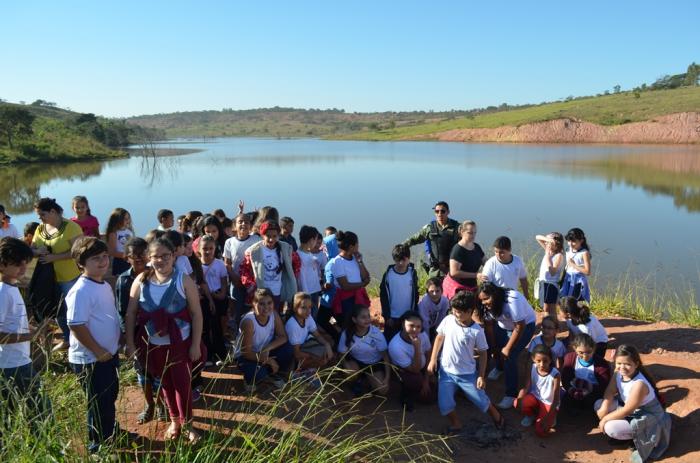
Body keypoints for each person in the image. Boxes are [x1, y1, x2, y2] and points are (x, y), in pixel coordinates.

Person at [125, 237, 204, 443]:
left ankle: (188, 425)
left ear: (173, 255)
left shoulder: (183, 280)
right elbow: (131, 314)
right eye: (155, 256)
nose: (160, 260)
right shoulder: (141, 280)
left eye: (165, 256)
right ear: (148, 258)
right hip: (153, 346)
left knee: (183, 385)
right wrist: (131, 344)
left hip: (180, 344)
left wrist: (195, 344)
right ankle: (174, 421)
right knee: (166, 385)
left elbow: (196, 314)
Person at [65, 237, 121, 453]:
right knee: (98, 403)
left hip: (108, 354)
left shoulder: (104, 284)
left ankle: (109, 431)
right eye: (95, 258)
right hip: (91, 359)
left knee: (110, 396)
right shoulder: (81, 290)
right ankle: (98, 446)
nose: (103, 261)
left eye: (105, 256)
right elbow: (76, 325)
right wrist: (97, 351)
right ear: (81, 264)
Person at [427, 291, 504, 434]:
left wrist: (481, 375)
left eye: (459, 312)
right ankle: (456, 424)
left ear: (470, 311)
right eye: (454, 311)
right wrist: (433, 359)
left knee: (480, 400)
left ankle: (497, 416)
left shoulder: (476, 331)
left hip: (467, 375)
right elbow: (439, 338)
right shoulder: (448, 320)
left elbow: (483, 353)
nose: (455, 314)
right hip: (446, 372)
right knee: (445, 404)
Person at [114, 237, 167, 424]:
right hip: (137, 333)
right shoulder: (123, 280)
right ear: (126, 258)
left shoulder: (159, 275)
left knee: (160, 371)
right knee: (142, 373)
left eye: (142, 257)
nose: (139, 262)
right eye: (134, 259)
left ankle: (161, 404)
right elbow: (122, 312)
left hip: (158, 332)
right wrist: (128, 340)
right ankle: (149, 405)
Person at [595, 345, 671, 463]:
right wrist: (604, 408)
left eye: (627, 364)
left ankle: (633, 438)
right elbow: (610, 390)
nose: (622, 367)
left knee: (610, 427)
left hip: (648, 416)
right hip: (634, 411)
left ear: (636, 364)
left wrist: (604, 419)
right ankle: (629, 435)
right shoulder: (618, 373)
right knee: (599, 404)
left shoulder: (639, 384)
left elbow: (627, 410)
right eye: (619, 363)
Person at [0, 237, 49, 416]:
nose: (23, 267)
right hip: (11, 364)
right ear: (3, 264)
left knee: (16, 413)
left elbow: (10, 322)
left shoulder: (12, 287)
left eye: (25, 262)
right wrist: (30, 337)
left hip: (19, 360)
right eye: (17, 263)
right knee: (41, 412)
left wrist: (29, 328)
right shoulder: (2, 292)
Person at [31, 197, 84, 350]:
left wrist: (55, 257)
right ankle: (67, 339)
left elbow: (78, 251)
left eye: (42, 214)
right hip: (47, 279)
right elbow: (32, 249)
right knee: (58, 310)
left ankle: (79, 341)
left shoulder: (71, 227)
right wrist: (37, 251)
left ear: (53, 211)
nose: (40, 218)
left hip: (68, 278)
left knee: (73, 309)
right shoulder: (40, 228)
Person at [478, 282, 537, 409]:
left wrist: (508, 348)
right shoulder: (484, 305)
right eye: (482, 300)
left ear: (495, 295)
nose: (484, 302)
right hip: (503, 325)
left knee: (510, 355)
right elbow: (489, 324)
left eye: (487, 298)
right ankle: (500, 367)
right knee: (499, 348)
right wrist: (494, 346)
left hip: (525, 326)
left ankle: (511, 394)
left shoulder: (512, 300)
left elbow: (520, 326)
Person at [235, 288, 292, 392]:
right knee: (259, 374)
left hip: (264, 351)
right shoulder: (249, 322)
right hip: (247, 357)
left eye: (269, 303)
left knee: (287, 349)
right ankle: (250, 379)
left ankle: (274, 374)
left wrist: (267, 348)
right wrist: (268, 360)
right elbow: (245, 353)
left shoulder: (274, 314)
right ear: (253, 304)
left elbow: (283, 337)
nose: (266, 307)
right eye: (261, 304)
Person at [239, 220, 298, 312]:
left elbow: (296, 262)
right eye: (268, 236)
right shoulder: (253, 251)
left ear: (278, 235)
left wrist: (291, 278)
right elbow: (244, 270)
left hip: (277, 291)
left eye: (274, 236)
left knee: (275, 316)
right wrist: (252, 286)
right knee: (262, 317)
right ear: (262, 235)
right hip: (261, 292)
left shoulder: (285, 248)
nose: (271, 239)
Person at [337, 305, 390, 397]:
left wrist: (387, 378)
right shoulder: (347, 333)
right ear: (354, 320)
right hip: (357, 362)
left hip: (375, 364)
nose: (367, 319)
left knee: (382, 390)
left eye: (368, 316)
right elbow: (341, 354)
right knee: (350, 372)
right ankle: (355, 381)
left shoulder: (376, 333)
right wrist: (345, 365)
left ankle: (365, 380)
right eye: (363, 317)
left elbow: (385, 357)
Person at [388, 311, 433, 411]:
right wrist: (416, 347)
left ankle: (420, 388)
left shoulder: (422, 335)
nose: (415, 330)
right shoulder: (395, 346)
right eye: (411, 325)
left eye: (418, 327)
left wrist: (426, 379)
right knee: (415, 381)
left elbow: (428, 353)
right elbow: (415, 369)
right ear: (403, 325)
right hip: (406, 371)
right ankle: (405, 394)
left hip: (422, 367)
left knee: (431, 393)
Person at [223, 213, 261, 331]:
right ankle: (238, 335)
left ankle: (252, 333)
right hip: (236, 282)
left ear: (250, 225)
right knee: (237, 309)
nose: (243, 224)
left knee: (252, 309)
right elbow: (227, 263)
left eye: (246, 222)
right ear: (235, 225)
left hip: (253, 283)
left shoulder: (256, 239)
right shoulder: (229, 242)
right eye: (240, 222)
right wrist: (235, 279)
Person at [402, 201, 459, 278]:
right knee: (432, 289)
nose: (439, 214)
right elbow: (414, 239)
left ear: (448, 212)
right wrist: (401, 246)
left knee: (451, 289)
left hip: (452, 269)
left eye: (443, 211)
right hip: (435, 270)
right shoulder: (430, 228)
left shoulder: (457, 227)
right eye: (437, 211)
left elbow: (467, 241)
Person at [514, 344, 561, 437]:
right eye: (538, 361)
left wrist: (547, 418)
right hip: (535, 397)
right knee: (517, 403)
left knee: (541, 432)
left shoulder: (555, 374)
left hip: (549, 402)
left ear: (550, 360)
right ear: (533, 359)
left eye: (545, 361)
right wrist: (520, 398)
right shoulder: (532, 367)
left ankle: (550, 416)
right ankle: (532, 415)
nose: (542, 364)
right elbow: (526, 386)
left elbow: (555, 400)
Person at [285, 292, 333, 374]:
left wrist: (327, 344)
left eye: (310, 307)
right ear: (295, 308)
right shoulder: (292, 325)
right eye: (304, 307)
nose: (308, 311)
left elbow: (317, 335)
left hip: (304, 346)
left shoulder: (307, 317)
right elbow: (296, 353)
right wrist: (315, 357)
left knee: (329, 342)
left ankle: (310, 367)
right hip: (293, 356)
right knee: (322, 359)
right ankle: (298, 371)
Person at [560, 333, 611, 411]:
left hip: (593, 392)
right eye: (581, 352)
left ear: (593, 349)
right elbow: (565, 378)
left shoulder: (602, 364)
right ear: (574, 348)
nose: (585, 356)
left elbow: (604, 386)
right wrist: (572, 390)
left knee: (593, 403)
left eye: (588, 352)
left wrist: (589, 388)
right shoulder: (569, 358)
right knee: (566, 401)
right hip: (575, 389)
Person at [329, 231, 371, 324]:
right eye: (357, 244)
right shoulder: (338, 262)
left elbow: (366, 276)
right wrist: (363, 284)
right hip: (346, 301)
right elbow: (345, 286)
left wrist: (360, 261)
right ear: (351, 247)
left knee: (360, 324)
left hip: (358, 297)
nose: (358, 246)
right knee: (348, 324)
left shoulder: (355, 259)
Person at [199, 234, 228, 364]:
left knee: (217, 328)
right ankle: (207, 354)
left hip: (217, 298)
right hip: (204, 300)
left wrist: (221, 295)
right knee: (205, 328)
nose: (208, 251)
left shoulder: (220, 264)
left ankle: (220, 354)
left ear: (215, 249)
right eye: (205, 248)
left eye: (211, 248)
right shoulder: (196, 265)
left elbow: (223, 283)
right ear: (199, 249)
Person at [380, 244, 419, 342]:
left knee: (407, 340)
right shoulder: (388, 275)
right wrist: (387, 316)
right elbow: (383, 297)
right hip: (392, 317)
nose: (401, 263)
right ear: (394, 259)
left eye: (404, 260)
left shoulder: (412, 273)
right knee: (390, 340)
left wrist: (413, 312)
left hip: (408, 315)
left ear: (409, 259)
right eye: (398, 260)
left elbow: (415, 294)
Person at [478, 236, 530, 300]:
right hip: (497, 299)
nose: (498, 255)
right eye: (496, 252)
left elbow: (523, 279)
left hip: (513, 298)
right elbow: (486, 286)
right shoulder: (490, 263)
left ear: (509, 250)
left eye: (502, 252)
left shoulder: (518, 261)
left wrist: (526, 296)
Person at [445, 220, 486, 299]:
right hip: (458, 288)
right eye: (470, 233)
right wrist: (476, 275)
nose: (473, 236)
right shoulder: (458, 249)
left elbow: (486, 262)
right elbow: (454, 272)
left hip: (472, 287)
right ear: (462, 232)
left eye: (475, 233)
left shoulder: (476, 247)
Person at [534, 232, 565, 317]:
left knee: (551, 309)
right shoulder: (549, 250)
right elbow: (537, 236)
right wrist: (548, 240)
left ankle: (554, 326)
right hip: (544, 283)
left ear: (556, 244)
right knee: (545, 308)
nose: (546, 243)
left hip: (551, 285)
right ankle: (547, 325)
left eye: (549, 242)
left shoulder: (559, 255)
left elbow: (552, 272)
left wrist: (547, 255)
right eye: (546, 242)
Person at [296, 226, 323, 314]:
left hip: (314, 289)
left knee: (314, 314)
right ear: (311, 240)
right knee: (309, 315)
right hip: (308, 293)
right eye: (315, 240)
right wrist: (305, 295)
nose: (316, 243)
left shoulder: (308, 253)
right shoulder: (299, 256)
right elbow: (301, 277)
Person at [560, 228, 591, 302]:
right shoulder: (568, 250)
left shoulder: (584, 253)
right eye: (568, 241)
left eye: (573, 241)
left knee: (573, 302)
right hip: (567, 278)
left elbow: (588, 272)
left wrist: (574, 265)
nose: (570, 243)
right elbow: (567, 266)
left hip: (578, 281)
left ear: (581, 241)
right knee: (563, 300)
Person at [417, 277, 449, 342]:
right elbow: (424, 322)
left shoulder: (445, 301)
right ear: (427, 292)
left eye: (437, 291)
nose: (435, 294)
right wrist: (427, 340)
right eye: (431, 291)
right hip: (422, 325)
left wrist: (437, 333)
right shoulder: (424, 302)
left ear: (442, 291)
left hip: (434, 324)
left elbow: (442, 318)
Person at [105, 208, 134, 276]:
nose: (128, 221)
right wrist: (127, 256)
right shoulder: (114, 233)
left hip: (130, 260)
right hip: (120, 262)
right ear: (118, 220)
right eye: (125, 219)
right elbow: (112, 252)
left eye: (128, 218)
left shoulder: (129, 232)